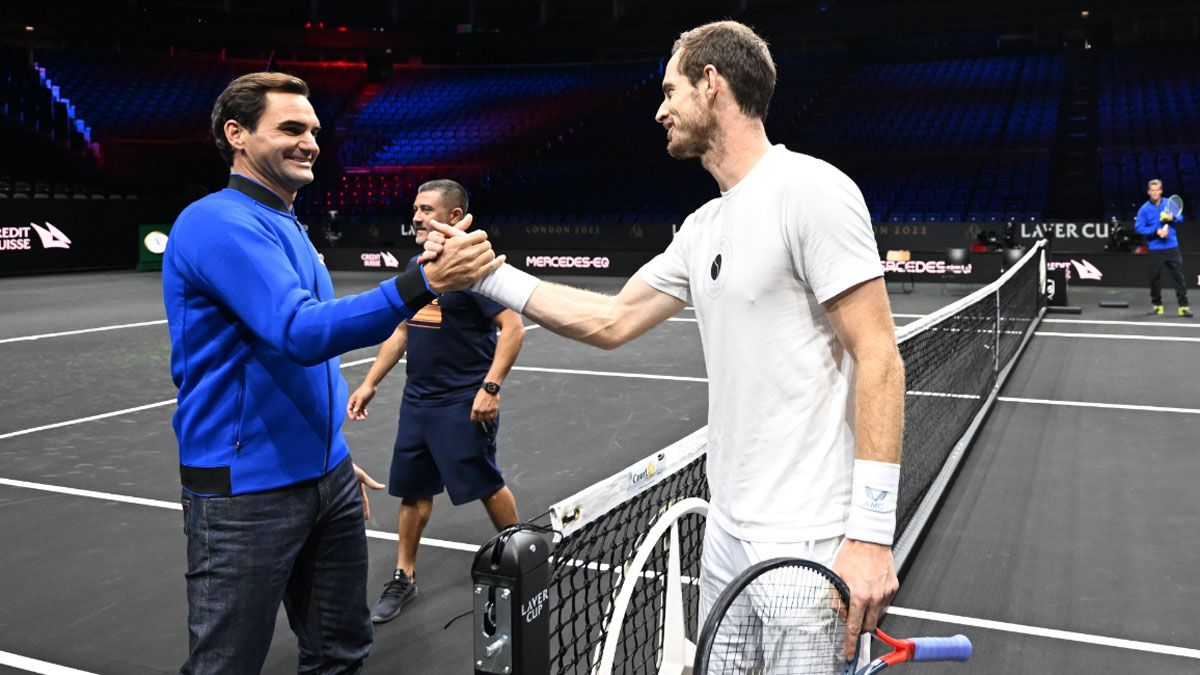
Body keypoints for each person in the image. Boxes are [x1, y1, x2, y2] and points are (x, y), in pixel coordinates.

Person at [426, 21, 904, 663]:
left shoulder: (811, 191)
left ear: (712, 85)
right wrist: (490, 274)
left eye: (670, 89)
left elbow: (879, 356)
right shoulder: (704, 225)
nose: (659, 109)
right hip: (727, 531)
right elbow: (612, 320)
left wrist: (871, 534)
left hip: (808, 539)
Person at [162, 72, 501, 674]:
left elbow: (303, 354)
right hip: (247, 494)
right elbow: (302, 334)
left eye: (313, 130)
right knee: (225, 665)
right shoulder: (216, 222)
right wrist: (424, 280)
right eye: (290, 128)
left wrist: (330, 457)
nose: (310, 142)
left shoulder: (288, 224)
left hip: (328, 481)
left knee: (341, 653)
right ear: (236, 135)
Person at [345, 179, 526, 624]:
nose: (416, 216)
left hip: (462, 402)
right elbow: (404, 328)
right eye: (415, 208)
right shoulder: (418, 265)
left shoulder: (475, 268)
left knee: (486, 484)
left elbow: (514, 326)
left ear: (452, 215)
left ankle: (524, 558)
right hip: (418, 402)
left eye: (426, 209)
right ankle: (403, 576)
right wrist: (370, 381)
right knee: (413, 491)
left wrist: (490, 388)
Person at [1133, 179, 1191, 317]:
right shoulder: (1144, 209)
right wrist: (1156, 231)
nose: (1154, 192)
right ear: (1148, 192)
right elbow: (1139, 227)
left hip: (1172, 247)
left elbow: (1181, 218)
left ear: (1161, 191)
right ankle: (1157, 306)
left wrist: (1172, 218)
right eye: (1152, 190)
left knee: (1178, 278)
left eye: (1157, 190)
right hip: (1155, 248)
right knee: (1154, 279)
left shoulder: (1169, 203)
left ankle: (1183, 307)